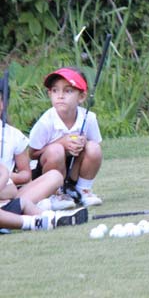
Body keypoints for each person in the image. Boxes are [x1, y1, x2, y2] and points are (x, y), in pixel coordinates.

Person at [28, 67, 104, 206]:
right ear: (49, 94)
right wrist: (61, 143)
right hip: (46, 174)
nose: (60, 96)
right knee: (56, 150)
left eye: (68, 91)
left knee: (93, 148)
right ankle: (55, 194)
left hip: (73, 170)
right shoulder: (46, 121)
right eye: (55, 90)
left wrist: (83, 143)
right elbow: (32, 154)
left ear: (81, 97)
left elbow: (96, 149)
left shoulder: (89, 118)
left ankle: (83, 190)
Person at [1, 94, 72, 211]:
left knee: (55, 176)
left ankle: (15, 207)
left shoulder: (13, 135)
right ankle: (18, 209)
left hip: (9, 192)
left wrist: (6, 176)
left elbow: (25, 175)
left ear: (3, 104)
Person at [0, 164, 87, 231]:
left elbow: (12, 191)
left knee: (23, 202)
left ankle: (53, 217)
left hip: (6, 206)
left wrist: (4, 176)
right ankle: (35, 222)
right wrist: (4, 175)